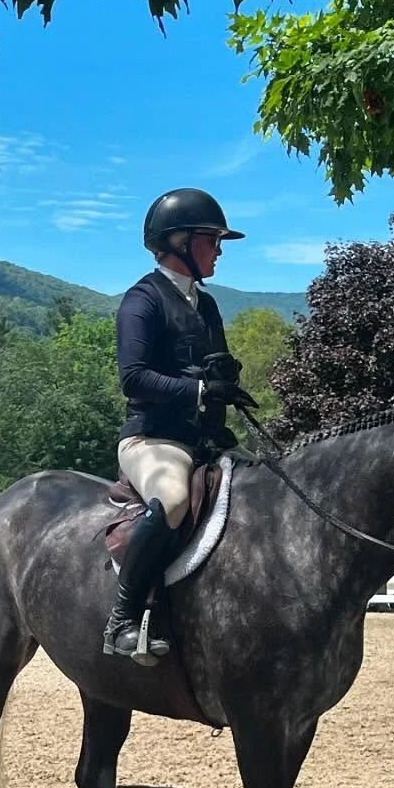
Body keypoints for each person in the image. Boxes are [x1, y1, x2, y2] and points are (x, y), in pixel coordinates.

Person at [103, 187, 255, 659]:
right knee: (170, 498)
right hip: (153, 439)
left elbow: (212, 369)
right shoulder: (141, 301)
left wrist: (224, 382)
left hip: (202, 441)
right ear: (181, 242)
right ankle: (122, 619)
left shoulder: (205, 305)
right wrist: (200, 391)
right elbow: (133, 378)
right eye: (212, 240)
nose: (219, 251)